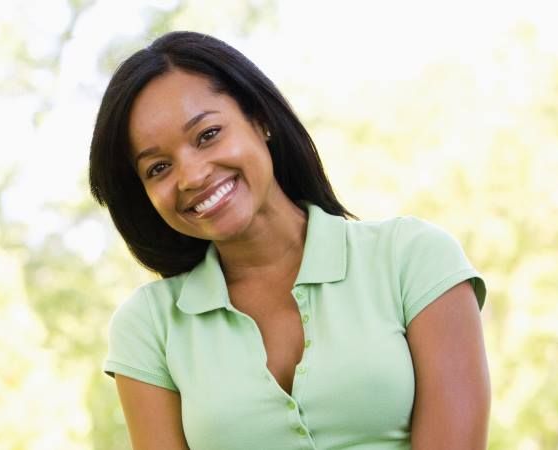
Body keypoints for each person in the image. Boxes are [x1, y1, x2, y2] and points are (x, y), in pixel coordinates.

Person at [89, 31, 490, 449]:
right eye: (158, 168)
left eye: (207, 135)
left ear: (259, 118)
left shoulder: (413, 257)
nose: (191, 176)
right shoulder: (150, 327)